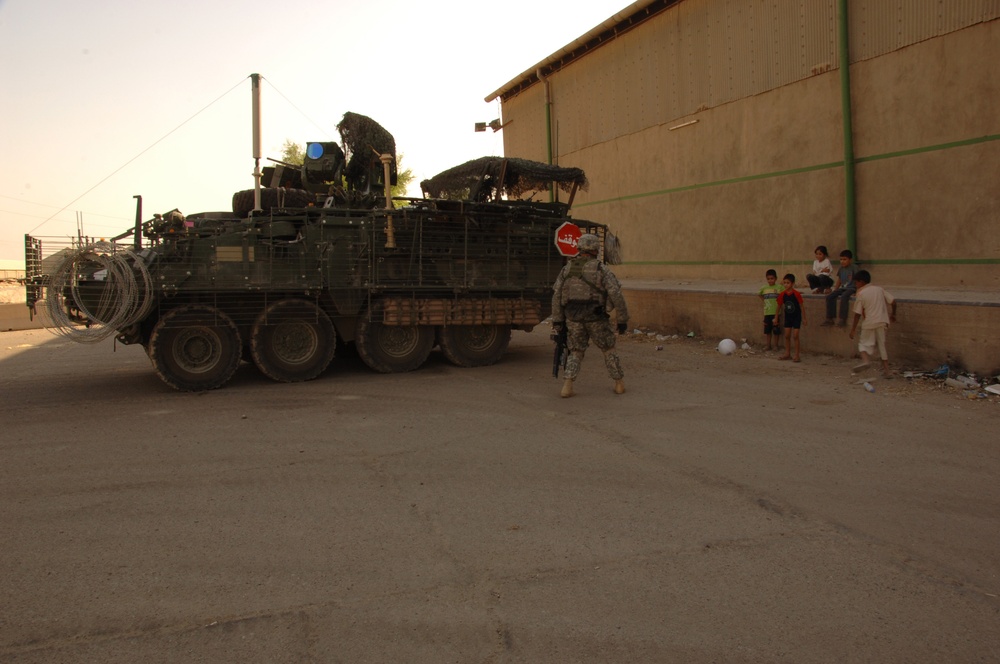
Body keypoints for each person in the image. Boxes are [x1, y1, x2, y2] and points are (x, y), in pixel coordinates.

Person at [551, 233, 629, 398]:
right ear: (595, 249)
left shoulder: (567, 269)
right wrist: (622, 320)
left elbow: (557, 295)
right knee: (608, 349)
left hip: (573, 318)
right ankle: (619, 384)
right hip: (596, 318)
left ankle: (567, 386)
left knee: (576, 351)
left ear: (580, 248)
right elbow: (616, 294)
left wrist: (557, 320)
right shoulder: (601, 269)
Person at [848, 270, 897, 376]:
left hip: (869, 322)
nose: (855, 285)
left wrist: (853, 329)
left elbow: (857, 314)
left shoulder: (861, 293)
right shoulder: (879, 289)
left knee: (863, 344)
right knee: (881, 345)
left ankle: (866, 361)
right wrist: (893, 314)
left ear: (861, 282)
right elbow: (893, 301)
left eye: (856, 282)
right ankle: (887, 371)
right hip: (882, 321)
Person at [822, 249, 859, 326]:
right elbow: (839, 280)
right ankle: (830, 318)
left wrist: (858, 291)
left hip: (851, 288)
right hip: (843, 288)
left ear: (850, 260)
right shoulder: (841, 268)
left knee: (844, 296)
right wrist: (835, 290)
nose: (842, 261)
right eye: (841, 259)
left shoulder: (854, 268)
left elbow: (858, 280)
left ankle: (842, 319)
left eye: (845, 259)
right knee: (830, 297)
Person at [774, 273, 806, 362]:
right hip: (788, 317)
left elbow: (801, 306)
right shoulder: (782, 294)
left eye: (788, 283)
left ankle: (797, 355)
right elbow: (779, 306)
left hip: (796, 317)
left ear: (792, 283)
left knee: (796, 336)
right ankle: (787, 353)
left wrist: (804, 318)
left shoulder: (796, 294)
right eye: (784, 283)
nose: (786, 285)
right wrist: (776, 317)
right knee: (787, 336)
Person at [758, 269, 783, 351]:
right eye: (768, 279)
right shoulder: (764, 288)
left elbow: (785, 293)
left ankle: (776, 345)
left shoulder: (779, 287)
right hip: (767, 312)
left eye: (772, 278)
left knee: (776, 330)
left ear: (775, 278)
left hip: (776, 313)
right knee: (768, 330)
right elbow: (759, 294)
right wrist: (765, 301)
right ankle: (768, 345)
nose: (770, 280)